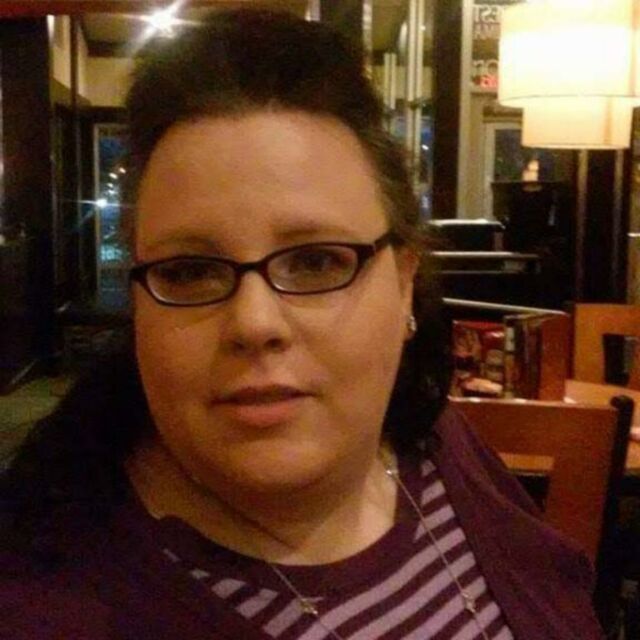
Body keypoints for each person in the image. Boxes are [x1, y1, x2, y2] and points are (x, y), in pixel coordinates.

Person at [1, 9, 603, 639]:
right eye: (189, 271)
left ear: (404, 283)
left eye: (316, 262)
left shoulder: (435, 443)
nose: (254, 322)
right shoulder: (46, 608)